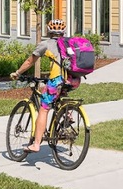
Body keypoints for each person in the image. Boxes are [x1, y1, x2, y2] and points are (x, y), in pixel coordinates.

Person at [10, 18, 78, 153]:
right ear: (63, 32)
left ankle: (36, 144)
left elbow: (30, 61)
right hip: (73, 79)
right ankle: (67, 115)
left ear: (49, 31)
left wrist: (17, 73)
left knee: (44, 109)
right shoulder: (69, 43)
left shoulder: (46, 44)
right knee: (59, 95)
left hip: (57, 80)